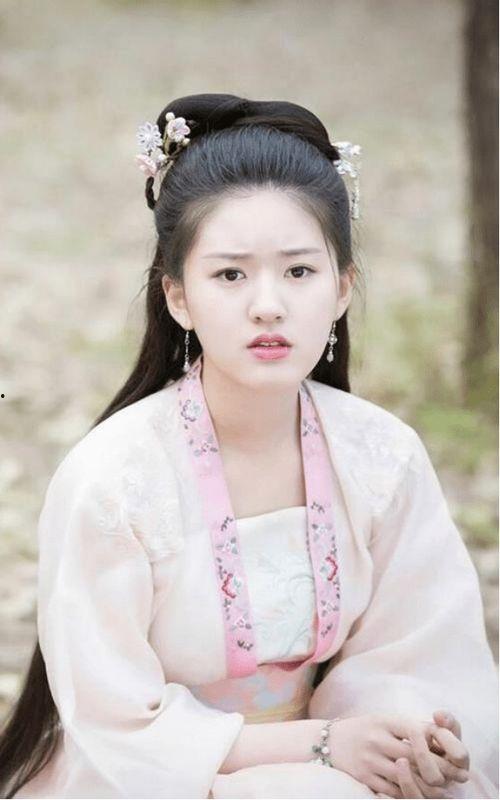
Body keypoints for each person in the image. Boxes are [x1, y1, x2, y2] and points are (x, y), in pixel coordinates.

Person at [0, 93, 497, 799]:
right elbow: (114, 721)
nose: (268, 305)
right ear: (178, 296)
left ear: (343, 289)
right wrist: (322, 746)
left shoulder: (380, 456)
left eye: (299, 271)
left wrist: (410, 732)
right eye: (230, 274)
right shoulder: (114, 480)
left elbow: (418, 646)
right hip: (147, 777)